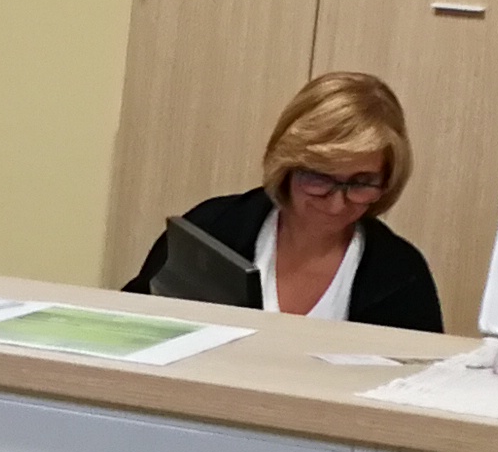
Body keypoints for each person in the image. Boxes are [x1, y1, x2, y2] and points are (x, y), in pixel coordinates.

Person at [128, 70, 446, 331]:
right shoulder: (211, 231)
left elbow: (418, 381)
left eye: (361, 183)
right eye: (320, 178)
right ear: (287, 166)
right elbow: (131, 325)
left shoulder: (400, 275)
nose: (336, 204)